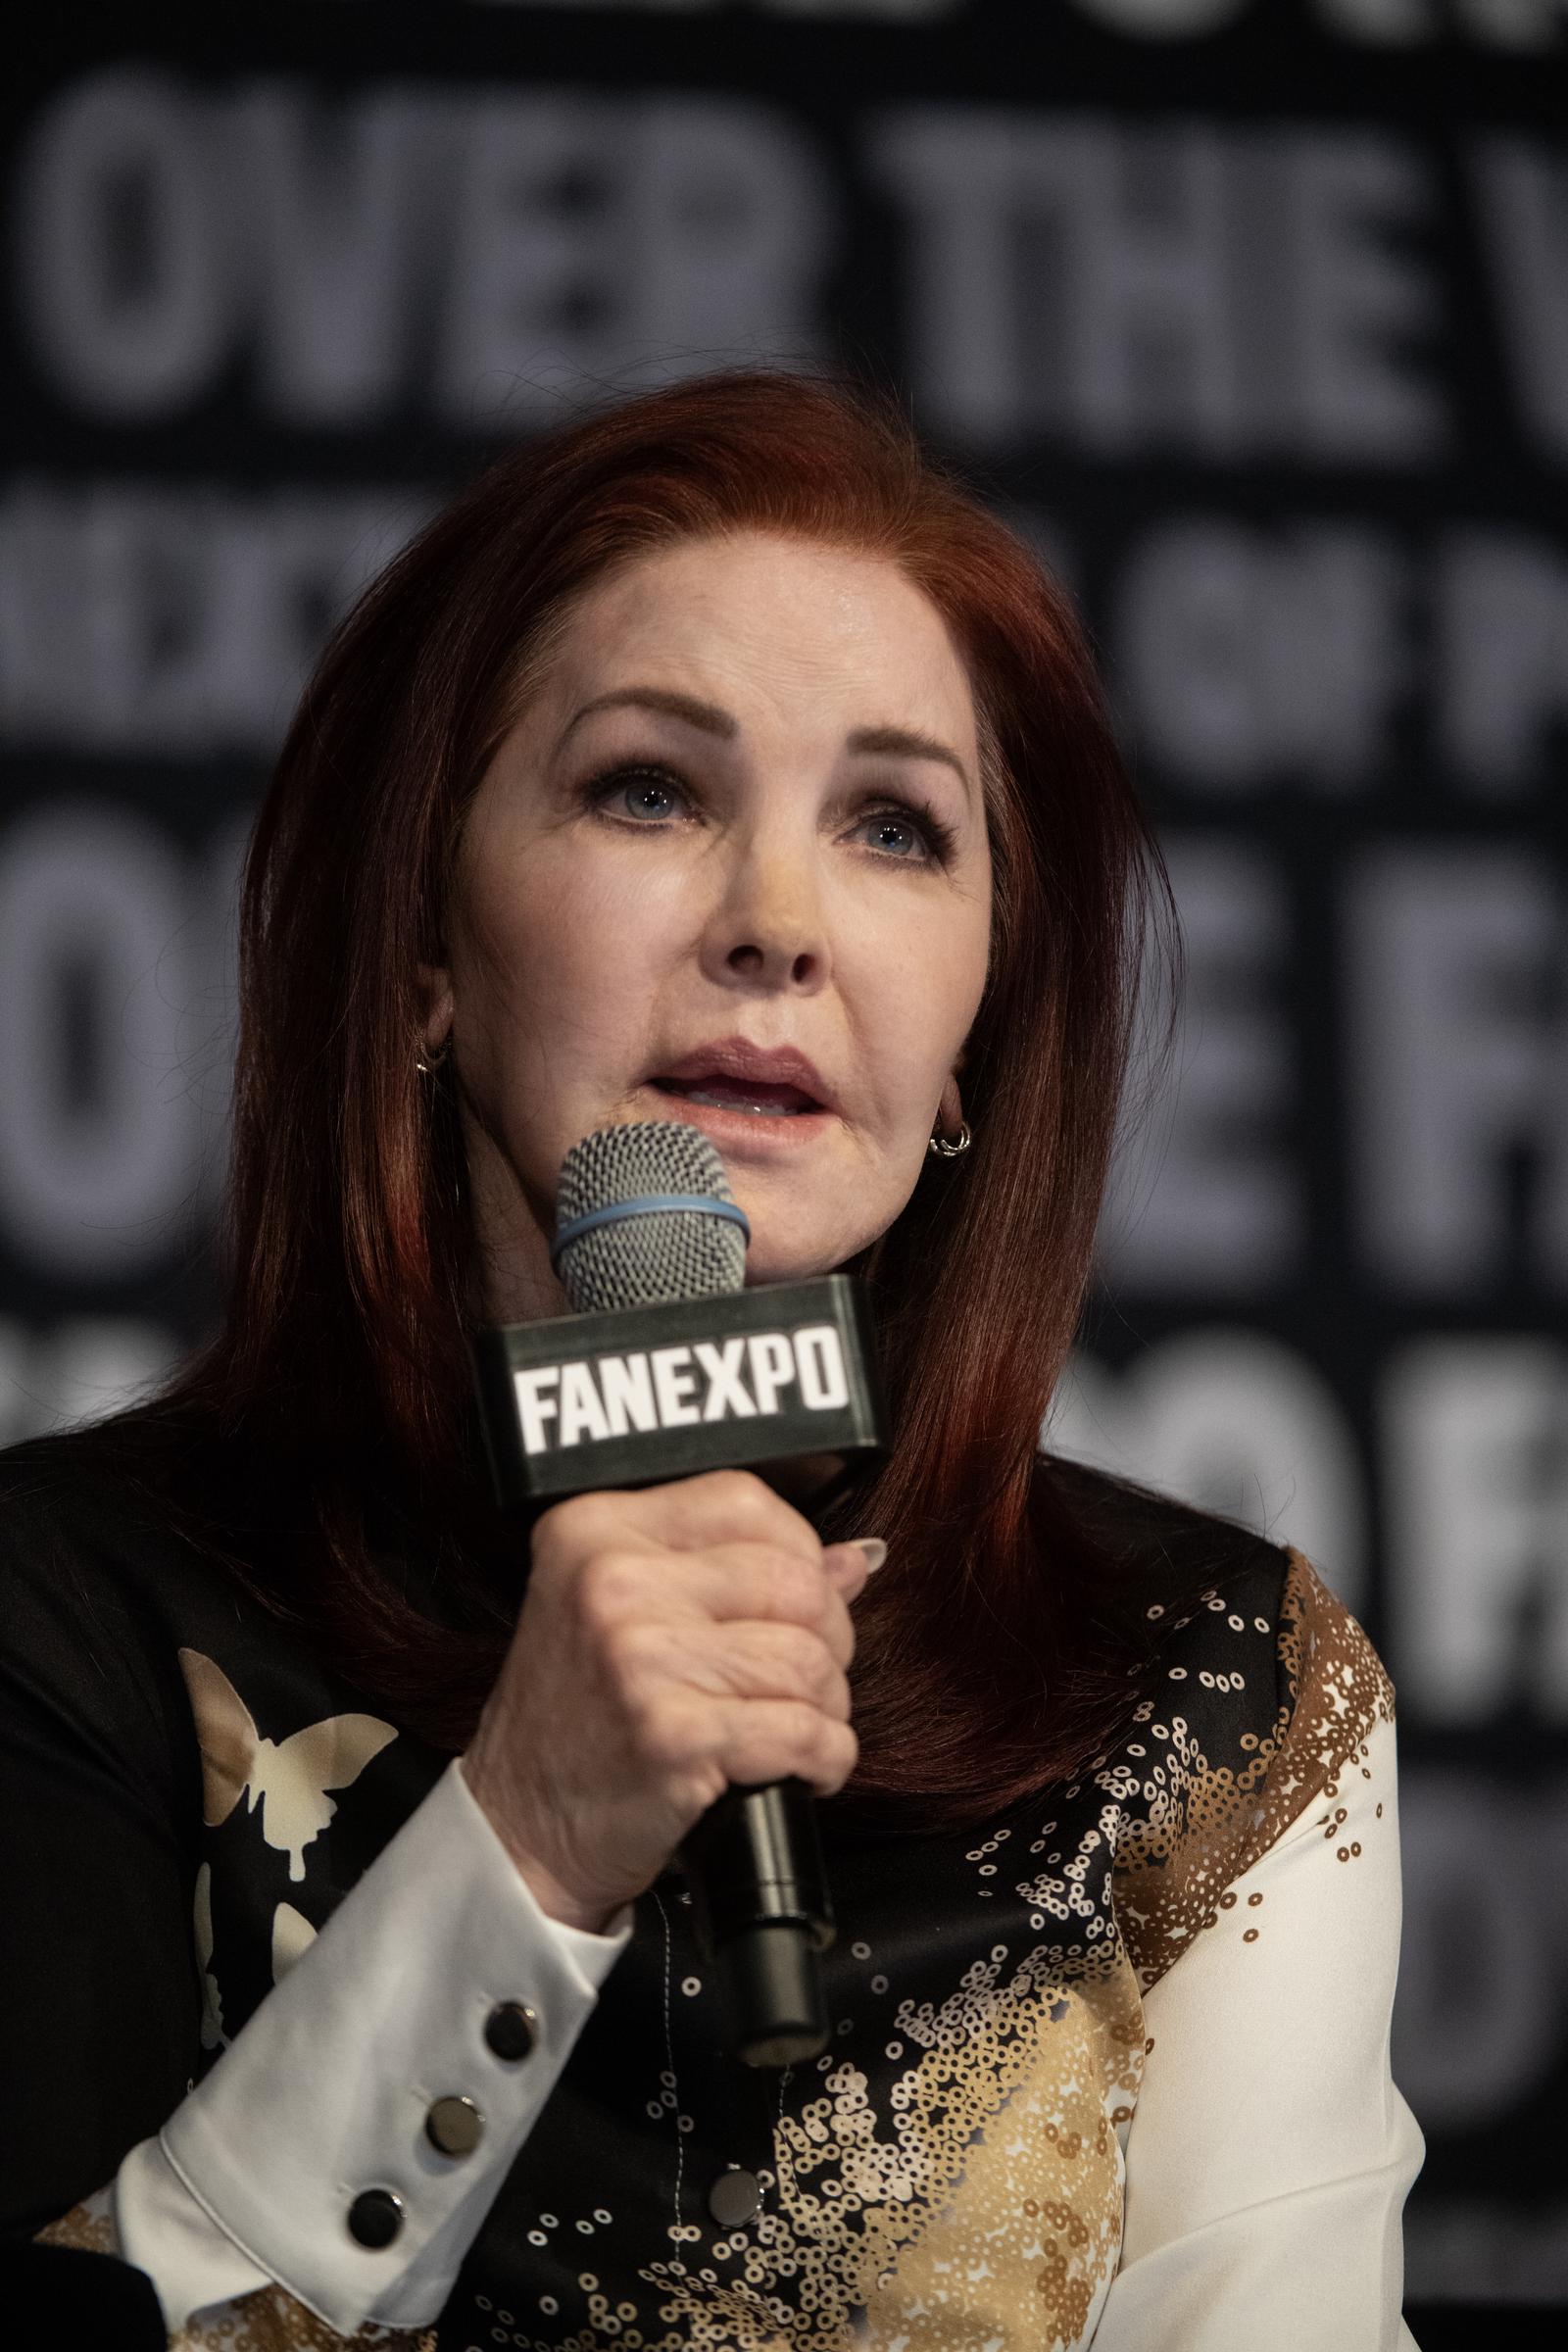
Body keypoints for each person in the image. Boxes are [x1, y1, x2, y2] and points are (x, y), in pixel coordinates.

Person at [1, 370, 1422, 2351]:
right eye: (648, 790)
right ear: (426, 953)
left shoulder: (1208, 1698)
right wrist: (527, 1843)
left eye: (894, 827)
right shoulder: (61, 1609)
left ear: (970, 1046)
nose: (775, 923)